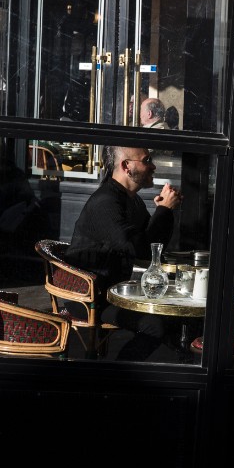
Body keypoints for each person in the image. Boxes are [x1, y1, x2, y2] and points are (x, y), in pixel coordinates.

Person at [64, 145, 184, 361]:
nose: (153, 166)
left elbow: (154, 246)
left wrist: (164, 212)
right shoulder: (106, 203)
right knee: (156, 326)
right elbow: (140, 250)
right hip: (90, 297)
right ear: (126, 166)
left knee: (176, 315)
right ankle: (119, 378)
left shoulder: (132, 200)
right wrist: (164, 210)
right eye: (146, 160)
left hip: (115, 290)